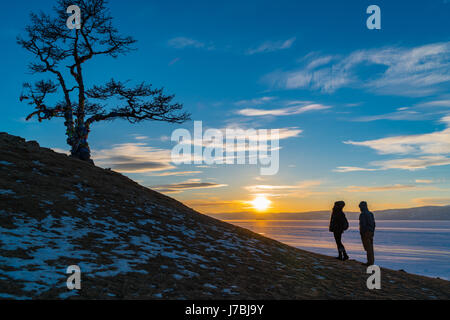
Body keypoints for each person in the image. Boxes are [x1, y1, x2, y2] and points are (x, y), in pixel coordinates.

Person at [359, 201, 376, 266]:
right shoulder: (370, 214)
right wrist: (372, 231)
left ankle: (370, 262)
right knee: (370, 247)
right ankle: (371, 261)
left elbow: (363, 224)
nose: (360, 208)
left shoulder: (363, 214)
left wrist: (362, 232)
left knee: (368, 247)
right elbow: (374, 224)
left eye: (360, 207)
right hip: (370, 232)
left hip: (366, 233)